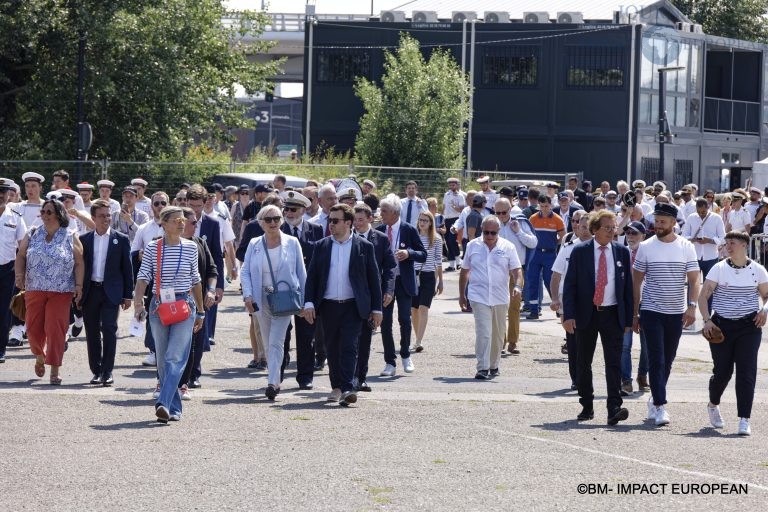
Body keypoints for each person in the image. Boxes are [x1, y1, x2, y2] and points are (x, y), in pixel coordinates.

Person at [303, 204, 383, 406]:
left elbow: (374, 280)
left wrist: (376, 309)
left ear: (348, 222)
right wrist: (309, 302)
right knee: (332, 347)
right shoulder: (321, 246)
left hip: (353, 306)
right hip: (328, 306)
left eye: (335, 221)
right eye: (330, 220)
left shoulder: (364, 247)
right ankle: (336, 387)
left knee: (349, 346)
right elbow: (311, 277)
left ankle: (347, 387)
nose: (331, 224)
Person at [133, 206, 205, 423]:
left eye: (183, 219)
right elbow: (143, 278)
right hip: (158, 306)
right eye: (176, 220)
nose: (182, 223)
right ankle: (173, 409)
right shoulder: (154, 248)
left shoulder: (191, 247)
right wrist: (138, 304)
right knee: (164, 361)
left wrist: (201, 311)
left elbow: (196, 280)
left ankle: (162, 403)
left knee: (175, 357)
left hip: (184, 305)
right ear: (163, 224)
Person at [563, 210, 633, 425]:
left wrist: (629, 319)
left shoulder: (622, 251)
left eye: (614, 228)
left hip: (612, 314)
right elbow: (570, 285)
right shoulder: (580, 251)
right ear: (594, 229)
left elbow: (628, 289)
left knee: (613, 363)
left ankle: (614, 407)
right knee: (583, 362)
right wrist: (568, 315)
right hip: (587, 314)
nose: (612, 232)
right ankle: (587, 405)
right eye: (607, 228)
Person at [633, 203, 700, 426]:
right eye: (656, 221)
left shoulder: (686, 246)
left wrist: (692, 306)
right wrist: (635, 312)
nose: (658, 225)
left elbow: (693, 279)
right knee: (657, 358)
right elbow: (637, 281)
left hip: (676, 312)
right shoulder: (645, 247)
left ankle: (654, 398)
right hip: (651, 310)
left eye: (663, 221)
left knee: (668, 360)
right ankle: (661, 405)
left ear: (674, 223)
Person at [698, 231, 768, 436]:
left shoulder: (758, 270)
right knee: (722, 372)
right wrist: (707, 320)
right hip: (722, 326)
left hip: (748, 326)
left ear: (745, 245)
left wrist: (764, 310)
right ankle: (713, 404)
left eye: (733, 243)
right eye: (727, 243)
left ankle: (744, 419)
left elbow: (766, 296)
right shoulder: (719, 268)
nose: (728, 246)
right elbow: (704, 296)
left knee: (747, 372)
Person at [15, 198, 84, 385]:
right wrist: (19, 275)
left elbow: (79, 263)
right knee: (32, 328)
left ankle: (54, 369)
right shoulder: (33, 232)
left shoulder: (70, 236)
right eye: (43, 212)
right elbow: (21, 255)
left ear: (59, 215)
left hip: (61, 291)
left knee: (56, 329)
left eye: (49, 212)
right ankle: (39, 354)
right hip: (34, 288)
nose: (44, 215)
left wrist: (78, 287)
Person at [241, 205, 306, 400]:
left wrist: (304, 301)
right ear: (261, 223)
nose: (273, 223)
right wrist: (248, 295)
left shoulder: (292, 242)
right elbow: (245, 271)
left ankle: (272, 382)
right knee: (267, 341)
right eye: (268, 219)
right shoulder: (254, 243)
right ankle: (275, 378)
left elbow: (301, 273)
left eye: (276, 218)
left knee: (277, 340)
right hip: (262, 295)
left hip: (284, 296)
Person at [459, 215, 522, 379]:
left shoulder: (508, 247)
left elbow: (517, 271)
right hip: (478, 295)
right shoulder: (473, 246)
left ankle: (494, 365)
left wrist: (517, 286)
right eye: (486, 232)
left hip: (500, 296)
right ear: (482, 230)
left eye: (493, 233)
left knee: (498, 334)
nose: (489, 236)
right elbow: (464, 271)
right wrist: (461, 295)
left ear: (498, 231)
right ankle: (482, 367)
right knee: (484, 332)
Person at [79, 199, 133, 386]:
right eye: (101, 216)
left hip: (111, 292)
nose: (106, 219)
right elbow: (78, 268)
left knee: (109, 329)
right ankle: (96, 370)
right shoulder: (84, 240)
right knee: (92, 331)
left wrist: (128, 295)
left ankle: (108, 371)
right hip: (90, 291)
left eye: (108, 215)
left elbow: (127, 269)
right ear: (93, 217)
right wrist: (77, 291)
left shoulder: (121, 239)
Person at [376, 194, 427, 376]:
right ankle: (390, 361)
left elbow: (423, 254)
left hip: (404, 281)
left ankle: (405, 354)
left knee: (404, 319)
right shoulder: (379, 230)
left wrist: (408, 252)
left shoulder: (409, 229)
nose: (381, 214)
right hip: (385, 283)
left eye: (384, 211)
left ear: (395, 213)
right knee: (385, 322)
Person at [280, 190, 323, 389]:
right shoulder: (276, 229)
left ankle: (305, 376)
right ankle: (278, 374)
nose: (288, 213)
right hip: (282, 290)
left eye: (293, 209)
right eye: (286, 209)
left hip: (307, 290)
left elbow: (319, 262)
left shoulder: (315, 230)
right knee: (282, 334)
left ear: (303, 209)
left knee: (306, 336)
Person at [353, 204, 396, 392]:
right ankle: (348, 376)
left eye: (361, 219)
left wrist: (388, 290)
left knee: (364, 339)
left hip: (371, 297)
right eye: (354, 219)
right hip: (350, 296)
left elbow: (390, 267)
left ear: (370, 219)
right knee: (348, 339)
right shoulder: (348, 238)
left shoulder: (380, 239)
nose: (357, 223)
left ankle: (360, 377)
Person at [185, 184, 225, 388]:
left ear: (205, 203)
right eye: (191, 205)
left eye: (198, 205)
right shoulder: (180, 219)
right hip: (182, 283)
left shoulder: (212, 223)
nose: (195, 209)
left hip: (203, 283)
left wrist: (218, 286)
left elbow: (217, 255)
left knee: (201, 328)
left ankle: (195, 372)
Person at [179, 207, 219, 401]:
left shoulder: (200, 244)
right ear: (180, 222)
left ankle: (187, 381)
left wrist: (211, 290)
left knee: (193, 344)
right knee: (169, 346)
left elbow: (212, 270)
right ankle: (163, 381)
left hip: (196, 303)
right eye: (193, 222)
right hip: (171, 303)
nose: (196, 225)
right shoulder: (160, 244)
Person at [550, 211, 591, 388]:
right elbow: (556, 275)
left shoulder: (601, 249)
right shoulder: (568, 247)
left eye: (589, 228)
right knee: (573, 343)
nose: (585, 231)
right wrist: (554, 299)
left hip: (592, 303)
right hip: (571, 302)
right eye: (582, 227)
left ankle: (585, 376)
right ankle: (576, 379)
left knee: (587, 343)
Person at [496, 198, 537, 354]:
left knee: (514, 307)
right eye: (497, 212)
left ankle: (512, 341)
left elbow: (533, 243)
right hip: (497, 271)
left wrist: (519, 232)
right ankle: (500, 340)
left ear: (510, 209)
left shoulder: (520, 222)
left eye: (504, 212)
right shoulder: (493, 223)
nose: (500, 216)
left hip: (516, 271)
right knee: (498, 306)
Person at [620, 222, 650, 394]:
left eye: (634, 233)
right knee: (625, 345)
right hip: (625, 303)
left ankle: (642, 375)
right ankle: (626, 379)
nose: (630, 236)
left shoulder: (649, 253)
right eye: (628, 233)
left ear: (643, 236)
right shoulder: (620, 252)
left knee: (647, 345)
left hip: (645, 302)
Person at [0, 179, 27, 363]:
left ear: (9, 194)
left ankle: (0, 348)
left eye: (4, 191)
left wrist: (22, 272)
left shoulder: (15, 216)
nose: (1, 195)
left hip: (7, 269)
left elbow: (23, 246)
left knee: (3, 311)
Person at [526, 195, 565, 320]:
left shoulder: (557, 219)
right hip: (535, 253)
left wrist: (554, 244)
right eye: (541, 206)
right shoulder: (533, 218)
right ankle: (534, 310)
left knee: (551, 281)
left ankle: (559, 308)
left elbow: (563, 237)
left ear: (551, 205)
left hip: (550, 254)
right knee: (533, 281)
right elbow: (528, 235)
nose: (544, 209)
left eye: (546, 206)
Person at [411, 211, 443, 352]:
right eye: (420, 220)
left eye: (425, 220)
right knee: (414, 309)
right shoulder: (413, 237)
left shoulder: (436, 239)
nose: (422, 222)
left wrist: (440, 280)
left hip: (429, 276)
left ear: (431, 223)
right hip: (414, 275)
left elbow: (438, 260)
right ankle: (417, 337)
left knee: (424, 308)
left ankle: (419, 341)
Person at [682, 197, 725, 290]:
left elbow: (723, 238)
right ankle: (691, 304)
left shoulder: (716, 218)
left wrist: (709, 240)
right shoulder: (691, 217)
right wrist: (693, 239)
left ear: (708, 207)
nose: (701, 214)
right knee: (692, 285)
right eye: (699, 212)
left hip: (711, 257)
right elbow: (684, 236)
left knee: (709, 287)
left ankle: (708, 305)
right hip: (694, 257)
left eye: (703, 212)